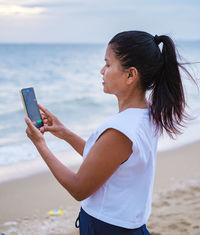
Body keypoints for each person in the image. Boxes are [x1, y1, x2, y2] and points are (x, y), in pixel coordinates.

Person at [25, 31, 190, 234]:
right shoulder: (148, 115)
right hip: (125, 225)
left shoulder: (121, 130)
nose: (102, 70)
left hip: (107, 228)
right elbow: (104, 161)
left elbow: (79, 188)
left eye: (108, 64)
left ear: (131, 74)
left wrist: (40, 145)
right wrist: (65, 133)